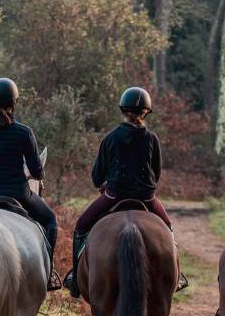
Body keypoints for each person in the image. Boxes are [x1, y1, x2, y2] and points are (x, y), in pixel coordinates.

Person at [63, 86, 181, 298]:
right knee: (168, 230)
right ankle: (177, 277)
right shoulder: (152, 139)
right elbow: (157, 173)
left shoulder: (110, 138)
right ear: (146, 112)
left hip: (113, 196)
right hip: (146, 198)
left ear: (122, 110)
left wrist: (105, 184)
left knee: (81, 227)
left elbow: (97, 177)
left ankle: (75, 280)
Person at [0, 77, 60, 291]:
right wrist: (33, 172)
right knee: (51, 221)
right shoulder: (24, 132)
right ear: (14, 102)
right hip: (20, 193)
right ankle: (50, 272)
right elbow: (36, 171)